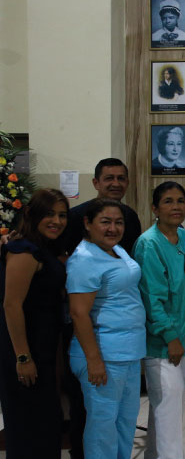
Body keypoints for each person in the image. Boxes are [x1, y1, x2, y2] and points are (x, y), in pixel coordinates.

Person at [62, 158, 142, 457]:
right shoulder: (85, 259)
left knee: (124, 424)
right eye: (105, 222)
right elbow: (79, 312)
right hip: (103, 353)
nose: (113, 228)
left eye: (118, 222)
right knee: (102, 426)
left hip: (128, 351)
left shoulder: (117, 249)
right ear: (88, 223)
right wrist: (94, 359)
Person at [0, 188, 68, 458]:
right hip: (25, 349)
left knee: (46, 424)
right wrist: (23, 357)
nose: (57, 221)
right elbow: (11, 305)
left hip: (43, 347)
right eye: (49, 214)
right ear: (32, 214)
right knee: (28, 427)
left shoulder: (41, 248)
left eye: (62, 215)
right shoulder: (23, 250)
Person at [133, 181, 185, 459]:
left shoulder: (182, 237)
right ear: (155, 208)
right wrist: (170, 336)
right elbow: (151, 298)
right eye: (168, 201)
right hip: (162, 343)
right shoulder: (149, 243)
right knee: (169, 412)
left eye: (180, 201)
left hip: (181, 338)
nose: (176, 207)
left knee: (166, 409)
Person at [65, 158, 142, 255]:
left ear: (127, 183)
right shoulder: (75, 216)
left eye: (121, 178)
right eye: (109, 178)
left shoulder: (131, 216)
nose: (116, 184)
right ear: (96, 183)